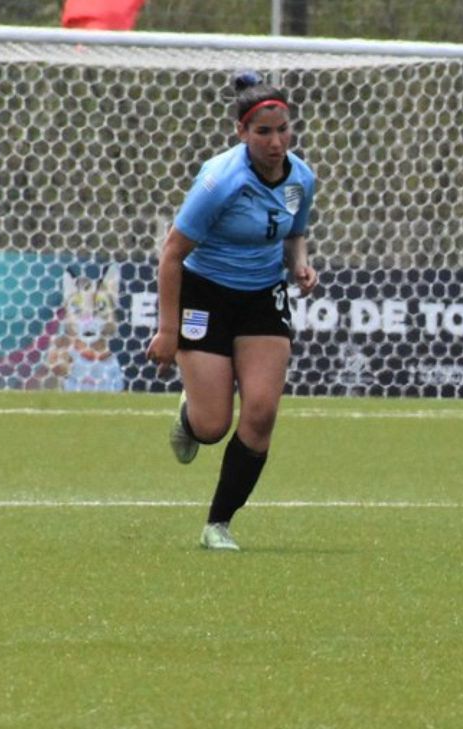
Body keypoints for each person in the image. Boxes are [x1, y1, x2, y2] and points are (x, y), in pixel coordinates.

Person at [146, 71, 318, 551]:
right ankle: (189, 418)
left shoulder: (301, 177)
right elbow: (172, 254)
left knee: (261, 414)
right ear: (241, 133)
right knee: (212, 426)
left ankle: (217, 524)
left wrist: (301, 265)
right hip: (205, 295)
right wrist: (167, 330)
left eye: (282, 129)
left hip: (263, 295)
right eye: (263, 132)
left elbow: (294, 231)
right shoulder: (220, 181)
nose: (276, 141)